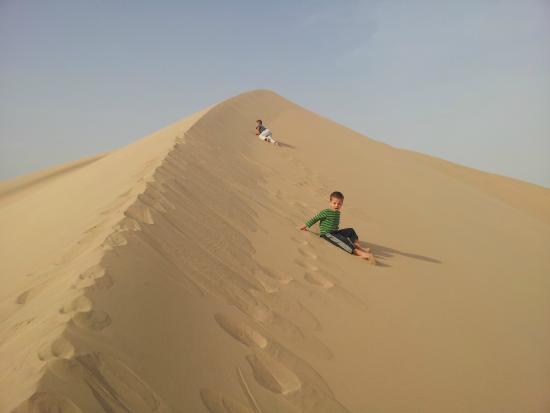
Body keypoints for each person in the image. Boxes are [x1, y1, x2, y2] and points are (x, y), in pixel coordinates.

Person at [300, 191, 376, 263]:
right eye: (334, 203)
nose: (337, 205)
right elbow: (315, 218)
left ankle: (358, 246)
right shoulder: (326, 212)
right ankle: (361, 254)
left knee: (351, 230)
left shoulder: (337, 213)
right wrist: (306, 225)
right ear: (330, 202)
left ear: (342, 204)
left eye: (339, 204)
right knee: (344, 241)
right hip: (327, 234)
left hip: (335, 232)